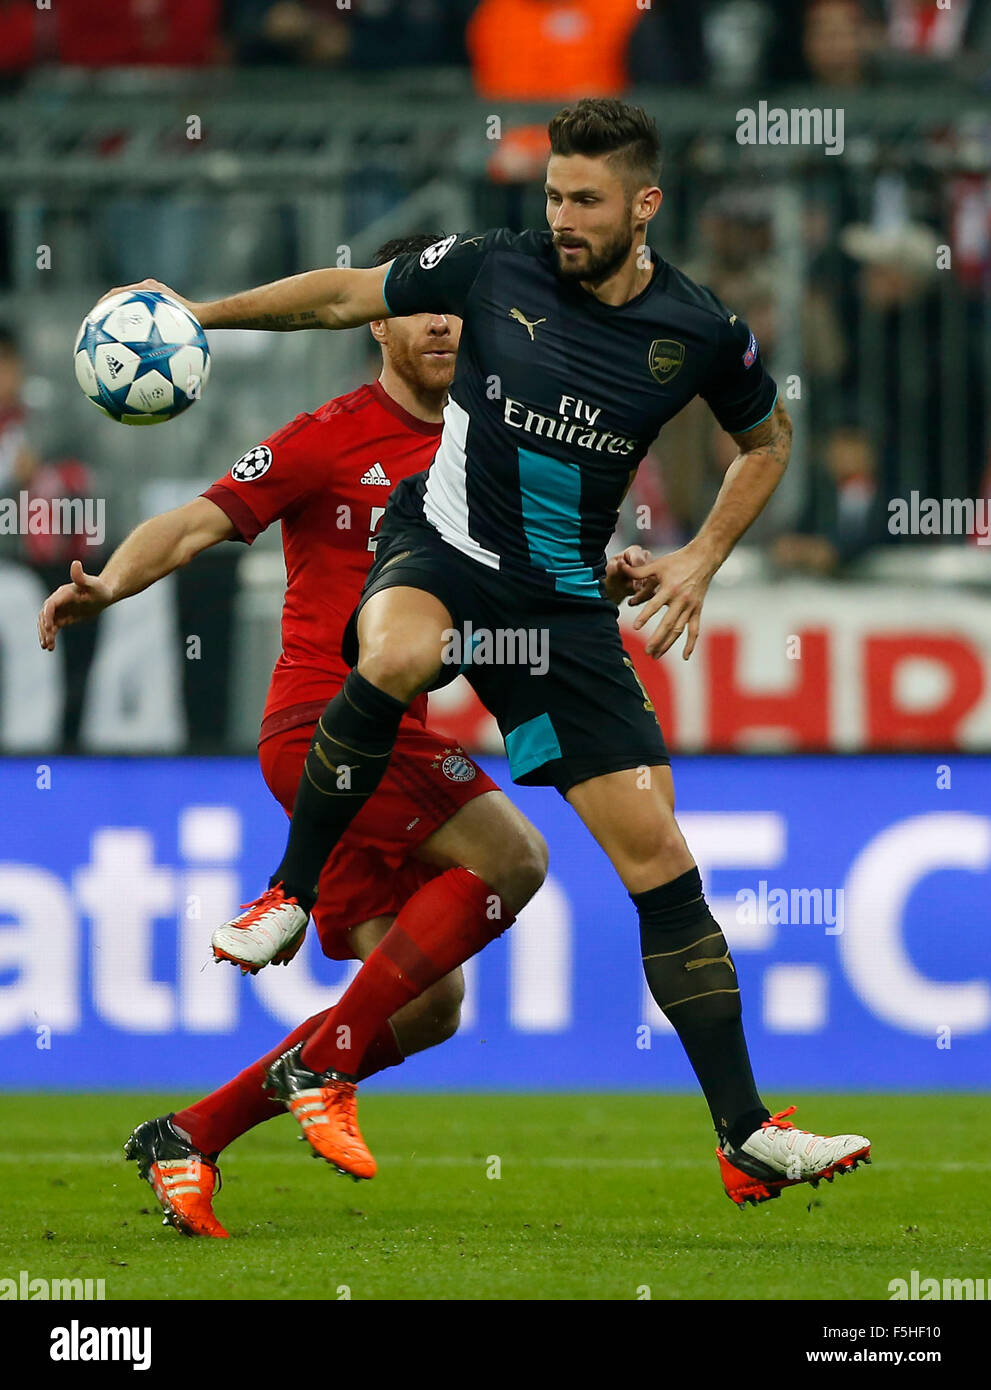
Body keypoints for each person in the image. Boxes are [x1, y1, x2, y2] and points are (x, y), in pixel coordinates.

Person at [119, 99, 872, 1208]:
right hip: (443, 546)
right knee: (394, 647)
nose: (561, 218)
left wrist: (701, 555)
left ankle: (744, 1133)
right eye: (553, 195)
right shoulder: (493, 268)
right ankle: (282, 891)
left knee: (656, 855)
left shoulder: (699, 332)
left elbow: (765, 440)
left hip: (560, 608)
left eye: (585, 200)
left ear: (644, 204)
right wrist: (204, 311)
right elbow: (340, 293)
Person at [38, 235, 554, 1237]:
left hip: (385, 734)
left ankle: (190, 1137)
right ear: (379, 319)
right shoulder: (329, 435)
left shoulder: (487, 449)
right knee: (513, 856)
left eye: (457, 308)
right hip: (318, 724)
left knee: (426, 1003)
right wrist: (110, 581)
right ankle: (319, 1070)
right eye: (420, 307)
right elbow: (199, 520)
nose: (442, 323)